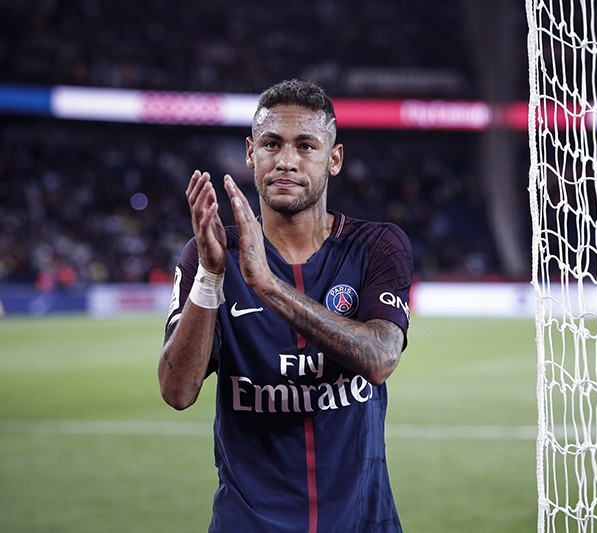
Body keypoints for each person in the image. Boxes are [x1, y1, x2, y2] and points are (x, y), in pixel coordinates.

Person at [158, 79, 413, 532]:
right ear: (250, 153)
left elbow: (380, 358)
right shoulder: (210, 253)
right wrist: (211, 277)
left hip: (361, 523)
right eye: (271, 144)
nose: (286, 161)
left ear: (334, 159)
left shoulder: (377, 245)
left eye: (306, 146)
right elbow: (177, 392)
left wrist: (267, 284)